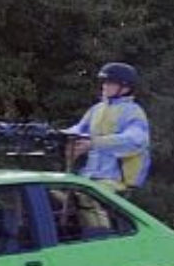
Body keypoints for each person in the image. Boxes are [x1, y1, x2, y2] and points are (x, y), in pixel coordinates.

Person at [62, 62, 151, 194]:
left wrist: (94, 143)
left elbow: (136, 141)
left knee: (85, 200)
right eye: (104, 82)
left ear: (125, 87)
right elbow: (77, 130)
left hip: (115, 183)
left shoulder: (133, 112)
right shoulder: (97, 109)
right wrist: (58, 135)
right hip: (87, 177)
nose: (104, 86)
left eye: (110, 83)